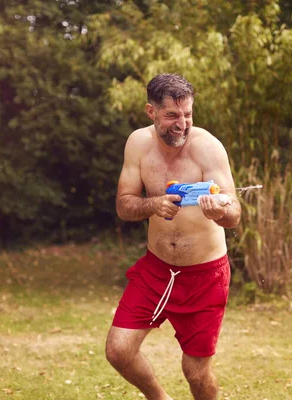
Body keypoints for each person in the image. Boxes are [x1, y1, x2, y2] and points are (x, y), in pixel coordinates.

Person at [105, 73, 241, 400]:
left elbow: (234, 214)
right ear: (151, 112)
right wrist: (153, 204)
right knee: (118, 351)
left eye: (188, 115)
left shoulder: (207, 148)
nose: (182, 124)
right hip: (157, 269)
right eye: (172, 116)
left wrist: (218, 212)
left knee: (195, 372)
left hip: (205, 275)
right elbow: (124, 205)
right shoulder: (138, 144)